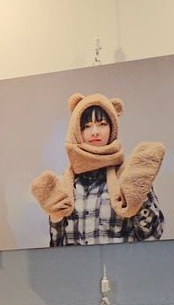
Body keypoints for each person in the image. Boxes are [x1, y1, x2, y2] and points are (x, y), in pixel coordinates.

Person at [30, 91, 164, 245]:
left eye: (102, 124)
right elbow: (57, 247)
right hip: (78, 262)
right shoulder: (65, 186)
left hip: (122, 261)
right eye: (87, 126)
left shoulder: (129, 176)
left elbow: (154, 235)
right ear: (77, 131)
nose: (95, 132)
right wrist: (55, 216)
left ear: (112, 127)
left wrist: (139, 198)